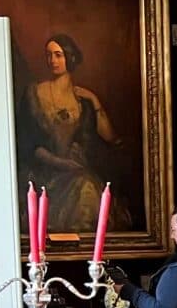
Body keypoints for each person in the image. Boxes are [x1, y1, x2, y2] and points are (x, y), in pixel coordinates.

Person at [21, 33, 130, 234]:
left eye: (58, 55)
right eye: (49, 55)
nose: (52, 60)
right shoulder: (35, 94)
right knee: (84, 185)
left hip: (77, 170)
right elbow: (28, 143)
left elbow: (110, 138)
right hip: (45, 172)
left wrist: (94, 100)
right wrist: (59, 162)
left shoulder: (83, 98)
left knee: (87, 187)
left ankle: (86, 243)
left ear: (70, 58)